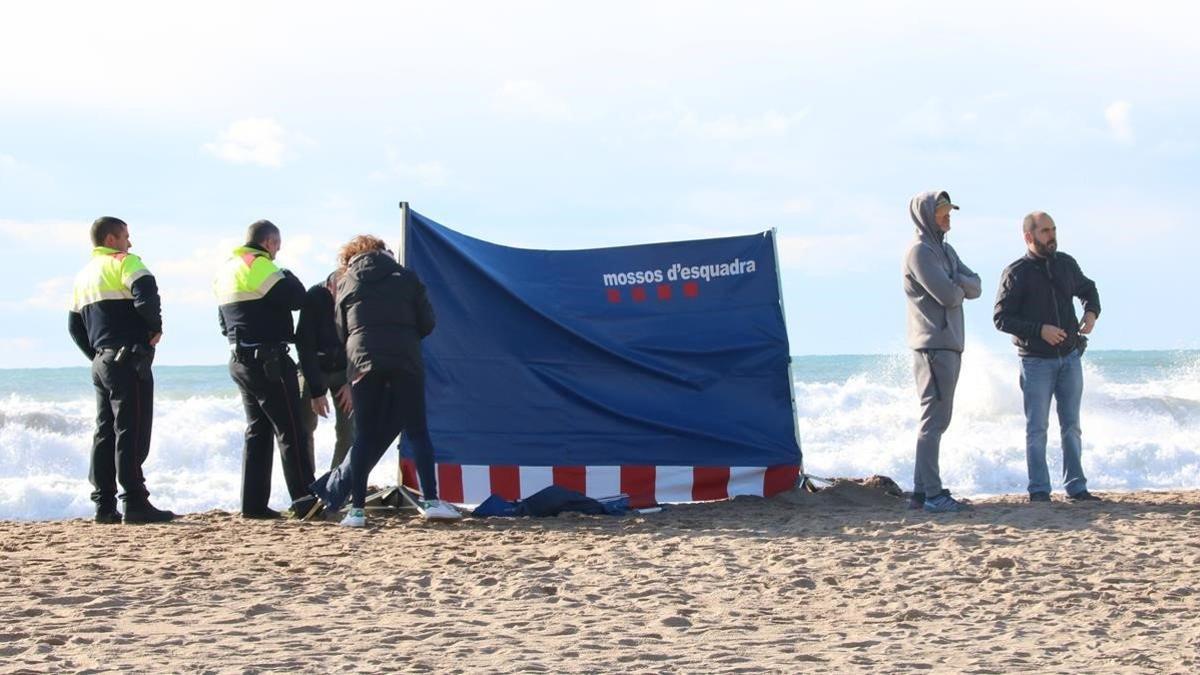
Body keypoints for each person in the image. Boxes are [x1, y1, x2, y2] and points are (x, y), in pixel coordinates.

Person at [310, 235, 460, 526]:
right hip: (405, 360)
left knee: (363, 435)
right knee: (417, 430)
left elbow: (341, 328)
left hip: (363, 361)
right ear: (383, 252)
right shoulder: (406, 277)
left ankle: (356, 512)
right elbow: (427, 322)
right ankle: (431, 501)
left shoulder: (346, 282)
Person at [68, 216, 175, 524]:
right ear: (112, 239)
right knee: (133, 430)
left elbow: (74, 326)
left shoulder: (84, 275)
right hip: (128, 359)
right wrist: (154, 328)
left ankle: (103, 505)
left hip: (102, 361)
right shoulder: (124, 262)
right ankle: (135, 503)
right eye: (126, 236)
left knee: (105, 432)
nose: (130, 242)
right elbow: (146, 291)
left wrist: (98, 355)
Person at [213, 220, 320, 519]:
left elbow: (224, 324)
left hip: (239, 358)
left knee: (257, 431)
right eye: (277, 247)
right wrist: (286, 272)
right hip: (268, 360)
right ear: (270, 243)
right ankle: (305, 500)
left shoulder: (226, 269)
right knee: (291, 430)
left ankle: (253, 505)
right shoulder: (258, 264)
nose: (277, 254)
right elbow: (296, 298)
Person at [994, 211, 1102, 503]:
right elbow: (1001, 318)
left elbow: (1088, 288)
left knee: (1071, 426)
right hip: (1035, 361)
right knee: (1037, 428)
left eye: (1053, 229)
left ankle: (1077, 487)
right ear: (1029, 236)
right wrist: (1040, 330)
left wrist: (1091, 312)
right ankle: (1039, 490)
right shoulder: (1016, 272)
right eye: (1044, 231)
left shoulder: (1066, 264)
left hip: (1070, 358)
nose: (1051, 235)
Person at [902, 190, 981, 513]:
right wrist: (957, 284)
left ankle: (921, 494)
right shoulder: (920, 252)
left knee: (937, 420)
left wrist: (956, 281)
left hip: (948, 345)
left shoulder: (945, 251)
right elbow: (949, 295)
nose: (948, 216)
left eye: (949, 211)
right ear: (926, 215)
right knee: (933, 421)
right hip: (932, 346)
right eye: (943, 211)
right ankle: (933, 494)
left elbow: (975, 285)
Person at [296, 270, 354, 470]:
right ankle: (307, 487)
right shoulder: (315, 297)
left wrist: (351, 382)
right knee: (304, 429)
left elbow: (360, 342)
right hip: (314, 368)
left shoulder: (355, 295)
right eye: (339, 291)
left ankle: (335, 485)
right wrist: (316, 391)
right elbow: (304, 346)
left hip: (344, 371)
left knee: (349, 431)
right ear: (330, 287)